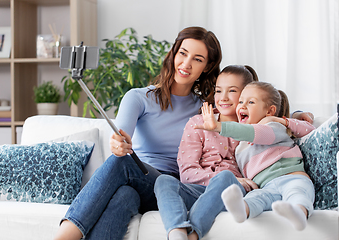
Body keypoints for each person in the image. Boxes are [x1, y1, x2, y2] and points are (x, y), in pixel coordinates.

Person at [53, 26, 223, 240]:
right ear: (173, 54)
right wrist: (118, 145)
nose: (186, 64)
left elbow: (246, 120)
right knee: (124, 194)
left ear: (207, 67)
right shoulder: (138, 98)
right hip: (134, 180)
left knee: (123, 164)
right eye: (183, 53)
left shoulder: (206, 109)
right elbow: (120, 138)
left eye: (197, 59)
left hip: (169, 187)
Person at [154, 65, 260, 240]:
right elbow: (187, 173)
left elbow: (276, 116)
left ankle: (193, 234)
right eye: (218, 91)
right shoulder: (198, 123)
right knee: (163, 180)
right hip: (198, 190)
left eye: (232, 91)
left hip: (231, 192)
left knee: (225, 177)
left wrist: (298, 115)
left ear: (247, 95)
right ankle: (177, 232)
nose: (223, 97)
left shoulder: (254, 128)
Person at [195, 81, 316, 231]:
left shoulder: (272, 127)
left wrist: (219, 127)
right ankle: (242, 209)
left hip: (292, 177)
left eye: (251, 102)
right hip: (266, 187)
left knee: (298, 193)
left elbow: (251, 132)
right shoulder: (240, 147)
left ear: (270, 111)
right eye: (240, 101)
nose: (242, 106)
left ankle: (299, 213)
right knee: (256, 198)